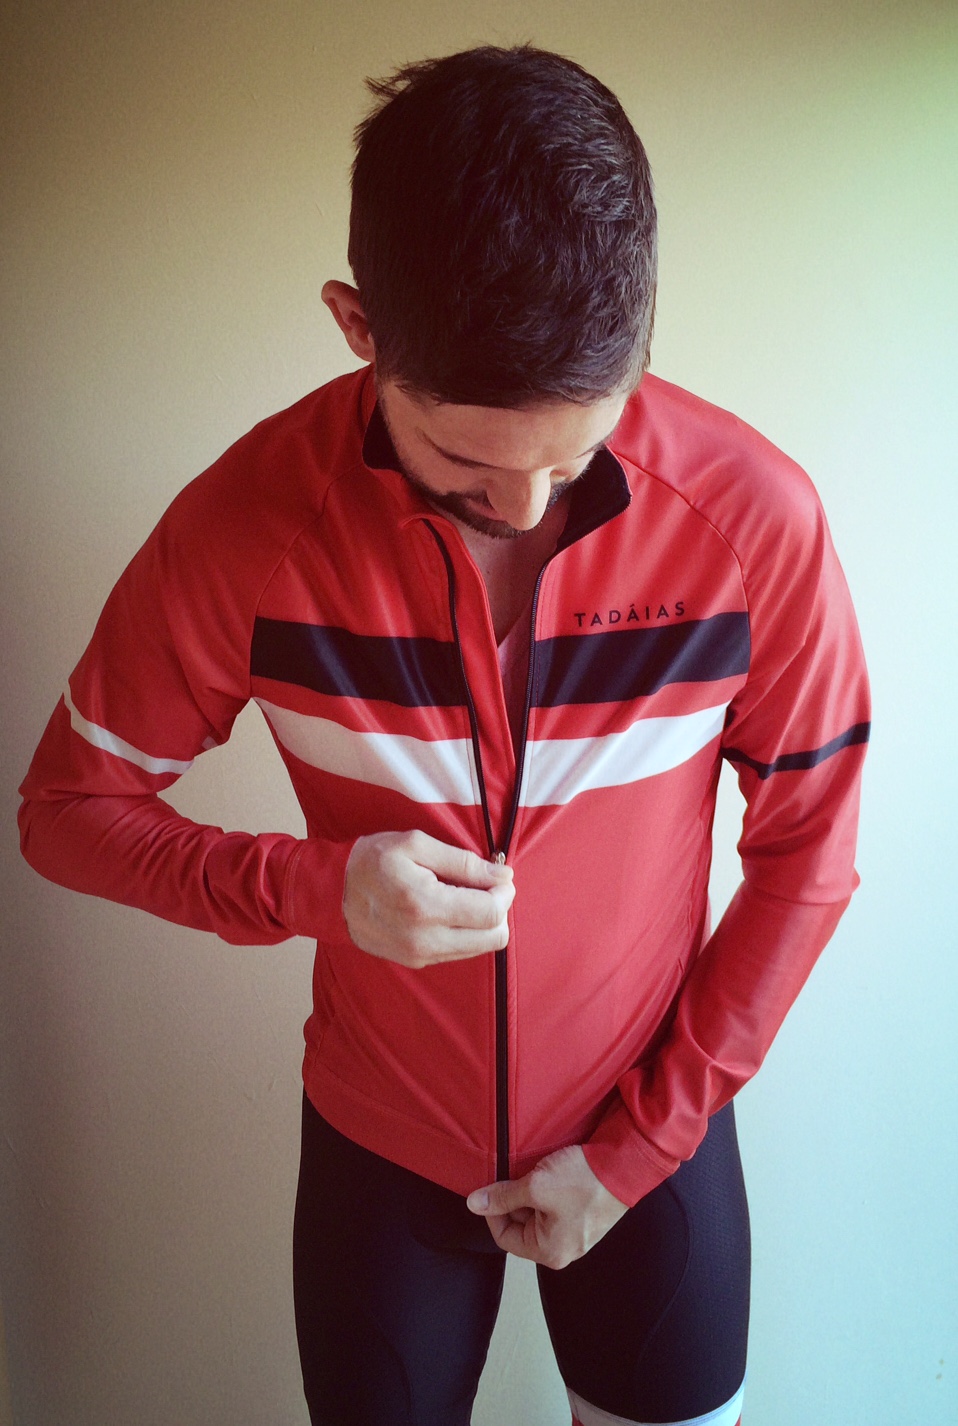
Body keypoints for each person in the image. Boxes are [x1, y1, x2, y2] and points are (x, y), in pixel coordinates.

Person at [18, 43, 869, 1426]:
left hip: (653, 1149)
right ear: (358, 329)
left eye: (575, 457)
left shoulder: (753, 520)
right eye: (467, 463)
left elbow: (808, 861)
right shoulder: (247, 527)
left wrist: (635, 1150)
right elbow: (65, 814)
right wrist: (313, 890)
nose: (525, 508)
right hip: (381, 1153)